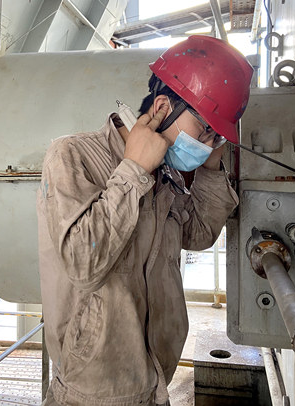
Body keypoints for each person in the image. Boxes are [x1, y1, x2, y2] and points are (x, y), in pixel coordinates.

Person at [37, 35, 253, 406]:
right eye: (204, 129)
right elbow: (83, 263)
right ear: (163, 105)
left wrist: (211, 168)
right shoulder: (73, 155)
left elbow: (199, 234)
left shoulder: (166, 177)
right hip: (91, 392)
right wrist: (134, 169)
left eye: (215, 137)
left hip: (155, 381)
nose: (206, 144)